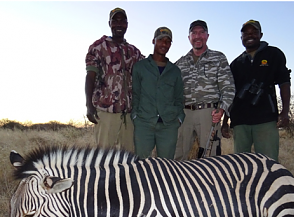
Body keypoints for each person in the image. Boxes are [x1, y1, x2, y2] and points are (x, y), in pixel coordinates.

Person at [221, 20, 291, 162]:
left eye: (254, 32)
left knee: (269, 163)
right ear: (241, 38)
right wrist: (225, 122)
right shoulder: (236, 64)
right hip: (240, 122)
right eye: (245, 33)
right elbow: (229, 94)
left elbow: (284, 82)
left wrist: (285, 111)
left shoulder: (273, 54)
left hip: (265, 120)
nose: (249, 35)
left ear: (261, 35)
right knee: (241, 165)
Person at [174, 20, 235, 161]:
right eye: (194, 33)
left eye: (201, 32)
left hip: (209, 114)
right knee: (177, 156)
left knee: (211, 159)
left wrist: (221, 110)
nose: (198, 36)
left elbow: (228, 87)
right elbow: (172, 91)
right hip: (184, 115)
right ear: (189, 37)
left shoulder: (218, 58)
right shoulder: (180, 63)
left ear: (207, 36)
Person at [85, 7, 143, 152]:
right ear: (109, 23)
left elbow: (147, 72)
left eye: (122, 21)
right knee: (103, 158)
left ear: (127, 24)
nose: (118, 24)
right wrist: (89, 106)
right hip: (106, 112)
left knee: (129, 158)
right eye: (115, 21)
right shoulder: (98, 47)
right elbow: (90, 77)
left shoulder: (134, 52)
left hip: (129, 115)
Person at [131, 27, 185, 159]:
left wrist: (179, 118)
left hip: (168, 125)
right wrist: (135, 117)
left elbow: (179, 97)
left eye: (168, 41)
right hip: (144, 123)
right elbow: (135, 94)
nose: (164, 44)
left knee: (166, 167)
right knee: (141, 165)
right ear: (153, 41)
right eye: (161, 40)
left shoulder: (175, 71)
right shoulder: (140, 67)